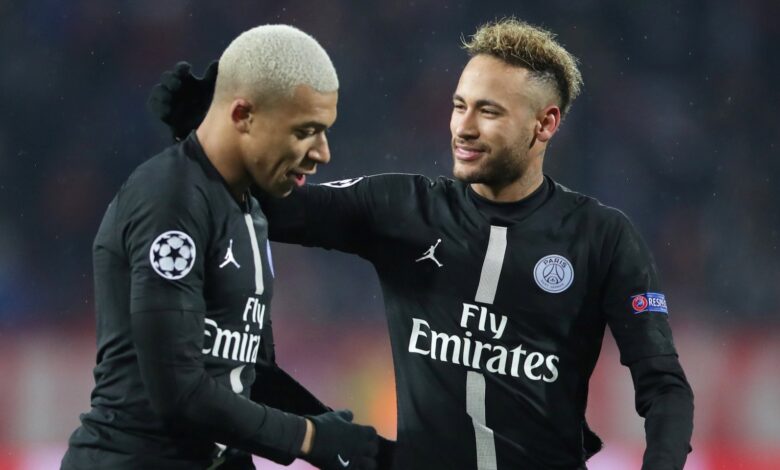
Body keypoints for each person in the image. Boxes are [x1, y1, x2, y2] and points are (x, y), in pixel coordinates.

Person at [151, 18, 695, 470]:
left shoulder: (602, 237)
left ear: (545, 124)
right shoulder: (403, 209)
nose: (464, 127)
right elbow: (275, 207)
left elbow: (664, 385)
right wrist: (212, 136)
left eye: (488, 111)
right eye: (460, 105)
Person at [62, 24, 382, 470]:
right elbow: (179, 392)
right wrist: (310, 438)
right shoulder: (170, 199)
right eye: (306, 131)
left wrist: (353, 445)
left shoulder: (247, 206)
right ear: (243, 114)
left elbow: (247, 375)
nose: (322, 152)